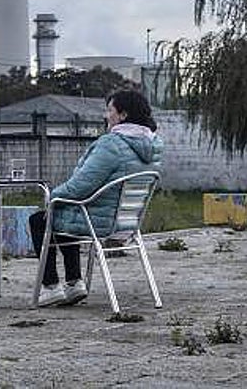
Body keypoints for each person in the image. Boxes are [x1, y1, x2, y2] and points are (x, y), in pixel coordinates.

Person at [29, 88, 164, 307]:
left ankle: (51, 286)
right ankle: (74, 284)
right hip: (128, 222)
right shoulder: (153, 145)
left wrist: (52, 196)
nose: (105, 115)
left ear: (123, 115)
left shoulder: (111, 144)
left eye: (109, 110)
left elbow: (81, 186)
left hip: (100, 220)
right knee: (64, 212)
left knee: (42, 218)